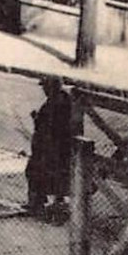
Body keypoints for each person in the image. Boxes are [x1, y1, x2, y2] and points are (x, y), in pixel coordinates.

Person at [26, 77, 74, 215]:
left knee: (34, 172)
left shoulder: (53, 104)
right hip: (58, 149)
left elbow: (48, 128)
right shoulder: (65, 101)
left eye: (46, 87)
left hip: (48, 149)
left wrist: (37, 119)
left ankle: (37, 205)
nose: (44, 90)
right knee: (57, 177)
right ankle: (57, 203)